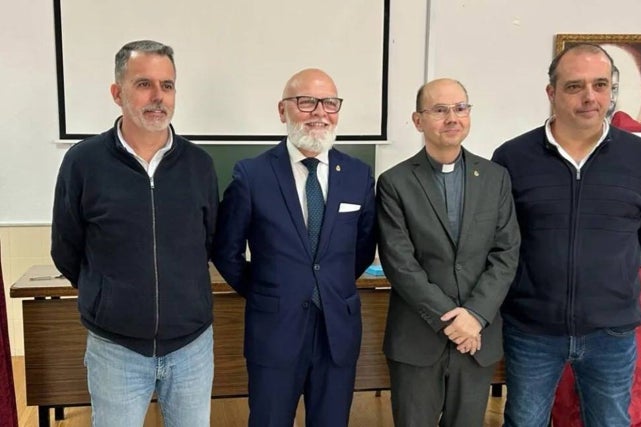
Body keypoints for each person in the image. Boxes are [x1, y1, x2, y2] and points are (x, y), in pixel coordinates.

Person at [491, 43, 641, 427]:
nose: (590, 97)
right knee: (524, 422)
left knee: (610, 422)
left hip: (612, 329)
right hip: (532, 327)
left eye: (600, 84)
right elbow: (501, 238)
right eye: (575, 86)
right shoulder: (512, 157)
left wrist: (610, 274)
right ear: (551, 93)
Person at [51, 40, 218, 427]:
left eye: (168, 85)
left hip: (191, 346)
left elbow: (207, 241)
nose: (158, 97)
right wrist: (109, 297)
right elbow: (67, 247)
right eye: (144, 84)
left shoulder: (199, 165)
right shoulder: (83, 162)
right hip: (116, 348)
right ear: (117, 93)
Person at [212, 68, 377, 427]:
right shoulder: (251, 175)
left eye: (330, 103)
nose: (320, 112)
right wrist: (265, 290)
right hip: (275, 330)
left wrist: (328, 285)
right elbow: (226, 250)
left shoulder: (358, 175)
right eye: (306, 102)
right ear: (282, 110)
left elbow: (363, 246)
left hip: (338, 331)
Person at [377, 78, 520, 427]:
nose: (452, 118)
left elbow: (506, 253)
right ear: (418, 120)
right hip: (417, 339)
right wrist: (453, 320)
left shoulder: (495, 177)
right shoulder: (395, 182)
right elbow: (400, 263)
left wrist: (475, 315)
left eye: (460, 108)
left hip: (477, 339)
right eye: (440, 110)